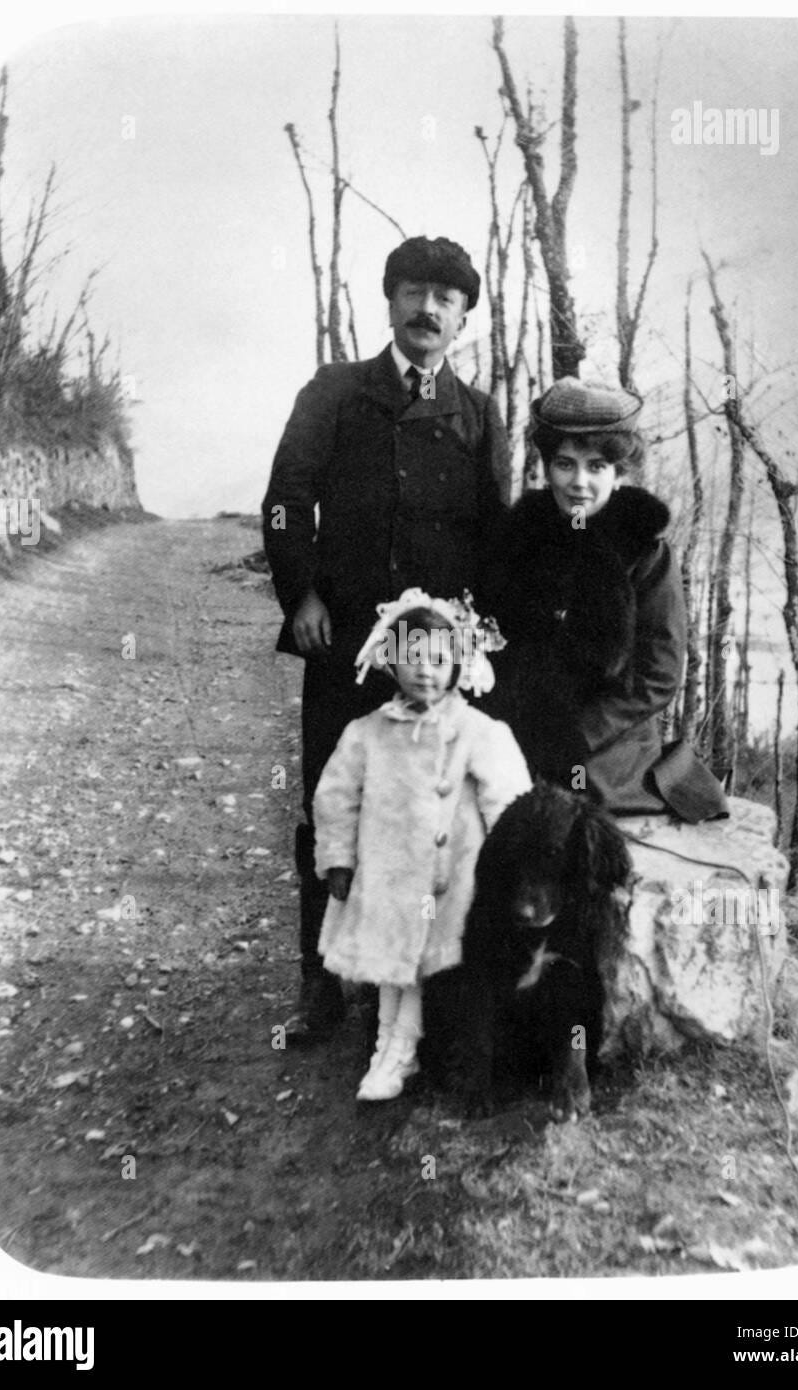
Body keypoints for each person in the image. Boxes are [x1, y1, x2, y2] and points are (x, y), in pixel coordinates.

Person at [262, 236, 508, 1042]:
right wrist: (300, 593)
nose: (427, 309)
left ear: (464, 316)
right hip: (346, 640)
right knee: (332, 803)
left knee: (428, 808)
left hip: (437, 658)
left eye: (446, 297)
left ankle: (420, 980)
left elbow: (493, 529)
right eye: (413, 292)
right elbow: (287, 500)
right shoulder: (335, 392)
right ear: (390, 301)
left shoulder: (476, 414)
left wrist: (474, 637)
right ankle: (321, 982)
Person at [312, 591, 532, 1100]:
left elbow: (510, 801)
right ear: (390, 662)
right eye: (412, 659)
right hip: (386, 872)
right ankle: (390, 1047)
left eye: (438, 661)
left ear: (458, 664)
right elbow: (336, 797)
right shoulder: (366, 733)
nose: (425, 672)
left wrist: (509, 868)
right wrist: (338, 858)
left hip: (449, 872)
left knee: (421, 962)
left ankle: (402, 1049)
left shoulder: (477, 731)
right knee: (394, 957)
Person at [481, 376, 727, 822]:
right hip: (513, 739)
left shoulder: (644, 552)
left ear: (618, 474)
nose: (578, 483)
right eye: (565, 464)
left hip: (605, 751)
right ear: (546, 468)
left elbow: (658, 675)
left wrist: (572, 735)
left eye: (596, 467)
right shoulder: (517, 538)